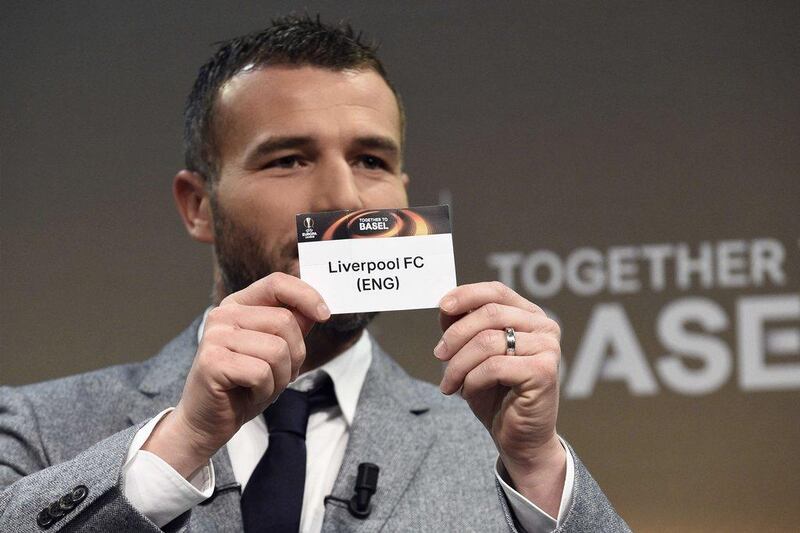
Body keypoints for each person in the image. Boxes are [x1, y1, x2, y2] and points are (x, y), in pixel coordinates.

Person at [0, 15, 629, 533]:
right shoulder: (35, 428)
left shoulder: (505, 456)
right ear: (199, 206)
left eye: (371, 159)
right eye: (289, 159)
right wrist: (184, 440)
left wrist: (539, 465)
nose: (345, 196)